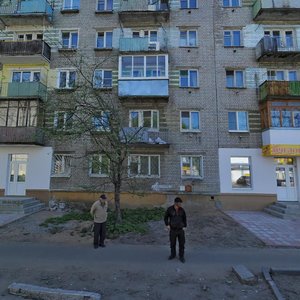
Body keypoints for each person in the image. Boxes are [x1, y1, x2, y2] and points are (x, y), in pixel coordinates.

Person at [164, 197, 187, 263]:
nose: (180, 204)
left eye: (181, 203)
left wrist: (185, 226)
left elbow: (184, 218)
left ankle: (181, 256)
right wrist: (167, 225)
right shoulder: (170, 209)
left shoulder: (182, 210)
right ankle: (173, 255)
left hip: (180, 230)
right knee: (172, 243)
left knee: (182, 244)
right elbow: (166, 217)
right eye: (179, 203)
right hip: (173, 230)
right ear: (175, 203)